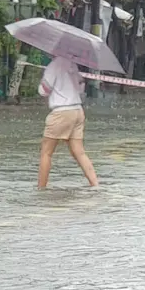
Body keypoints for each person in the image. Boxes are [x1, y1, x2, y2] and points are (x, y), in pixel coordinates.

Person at [37, 55, 98, 189]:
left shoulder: (54, 66)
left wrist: (43, 80)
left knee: (46, 153)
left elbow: (43, 91)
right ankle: (95, 185)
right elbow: (81, 87)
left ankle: (41, 190)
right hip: (77, 110)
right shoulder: (73, 65)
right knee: (79, 152)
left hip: (61, 112)